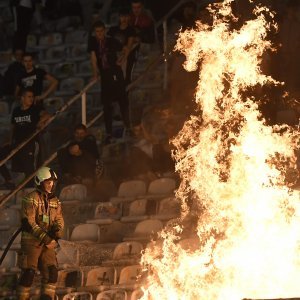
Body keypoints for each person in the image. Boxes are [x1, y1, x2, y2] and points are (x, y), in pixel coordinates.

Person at [17, 166, 64, 300]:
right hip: (31, 242)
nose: (51, 185)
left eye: (52, 182)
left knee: (52, 272)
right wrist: (45, 237)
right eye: (48, 182)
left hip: (47, 244)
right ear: (40, 182)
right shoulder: (30, 198)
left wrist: (57, 231)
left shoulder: (56, 201)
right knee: (29, 273)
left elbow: (59, 219)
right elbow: (29, 222)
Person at [88, 20, 130, 144]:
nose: (99, 33)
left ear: (104, 31)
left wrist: (122, 59)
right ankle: (109, 133)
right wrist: (95, 74)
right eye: (97, 32)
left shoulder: (111, 40)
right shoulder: (93, 43)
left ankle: (128, 126)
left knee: (123, 100)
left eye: (101, 31)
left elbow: (125, 48)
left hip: (115, 72)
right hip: (105, 75)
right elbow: (94, 59)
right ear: (94, 33)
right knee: (107, 105)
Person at [0, 88, 50, 187]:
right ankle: (9, 180)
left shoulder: (35, 109)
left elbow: (47, 115)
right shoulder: (16, 111)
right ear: (22, 98)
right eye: (29, 97)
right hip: (17, 143)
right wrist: (9, 141)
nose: (31, 99)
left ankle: (30, 187)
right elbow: (13, 127)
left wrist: (40, 122)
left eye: (32, 97)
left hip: (31, 142)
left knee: (29, 168)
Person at [108, 8, 136, 85]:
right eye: (122, 17)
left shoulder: (130, 30)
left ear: (129, 17)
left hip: (123, 55)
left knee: (122, 77)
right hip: (112, 55)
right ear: (119, 17)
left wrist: (123, 59)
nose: (124, 19)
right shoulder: (113, 29)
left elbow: (129, 46)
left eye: (126, 16)